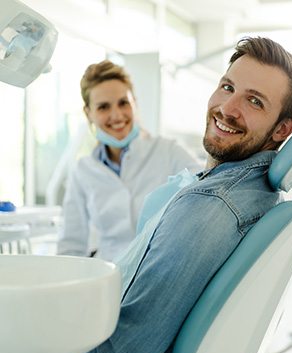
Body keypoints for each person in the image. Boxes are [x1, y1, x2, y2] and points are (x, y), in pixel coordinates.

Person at [71, 36, 292, 353]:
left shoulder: (211, 203)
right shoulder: (244, 191)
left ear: (283, 129)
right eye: (227, 87)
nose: (228, 109)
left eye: (254, 101)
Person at [57, 60, 201, 262]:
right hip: (108, 274)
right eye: (103, 107)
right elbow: (71, 245)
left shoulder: (169, 151)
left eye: (123, 103)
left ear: (135, 103)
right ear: (88, 113)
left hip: (159, 266)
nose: (116, 115)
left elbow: (206, 190)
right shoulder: (83, 171)